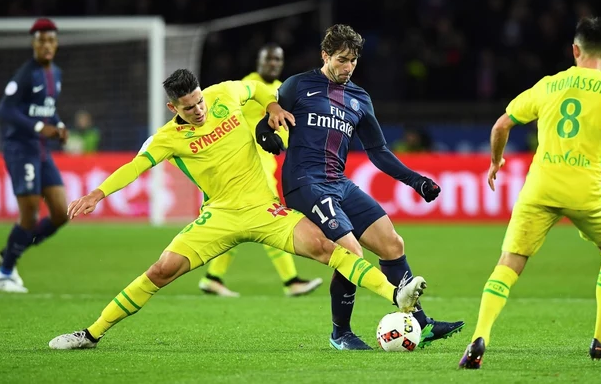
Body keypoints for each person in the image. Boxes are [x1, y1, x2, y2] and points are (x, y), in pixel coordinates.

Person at [48, 69, 427, 350]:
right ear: (172, 107)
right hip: (219, 217)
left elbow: (259, 88)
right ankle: (92, 333)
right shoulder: (166, 138)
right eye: (188, 107)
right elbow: (135, 167)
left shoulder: (224, 93)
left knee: (333, 249)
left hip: (266, 210)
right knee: (161, 270)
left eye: (199, 101)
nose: (198, 109)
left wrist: (273, 104)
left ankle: (397, 295)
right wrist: (99, 193)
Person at [458, 17, 601, 369]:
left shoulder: (548, 85)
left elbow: (501, 124)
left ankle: (480, 336)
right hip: (584, 190)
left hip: (539, 187)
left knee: (509, 262)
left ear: (574, 50)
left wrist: (495, 162)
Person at [256, 24, 464, 350]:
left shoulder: (359, 98)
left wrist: (416, 180)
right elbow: (265, 121)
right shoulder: (298, 86)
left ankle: (422, 325)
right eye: (341, 60)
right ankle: (341, 333)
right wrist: (265, 134)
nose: (348, 67)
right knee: (351, 251)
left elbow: (378, 152)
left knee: (392, 244)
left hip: (339, 183)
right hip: (305, 182)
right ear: (325, 55)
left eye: (353, 61)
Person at [199, 43, 323, 298]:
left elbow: (282, 127)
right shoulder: (248, 85)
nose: (273, 64)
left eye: (277, 60)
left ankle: (213, 277)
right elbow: (228, 119)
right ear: (258, 62)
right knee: (270, 215)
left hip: (266, 163)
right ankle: (291, 281)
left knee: (240, 221)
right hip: (248, 164)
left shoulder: (281, 89)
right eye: (268, 60)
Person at [0, 18, 69, 293]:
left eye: (51, 40)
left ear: (56, 43)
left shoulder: (57, 74)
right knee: (29, 215)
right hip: (20, 148)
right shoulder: (26, 74)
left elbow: (48, 110)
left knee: (61, 213)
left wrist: (59, 125)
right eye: (41, 41)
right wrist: (41, 127)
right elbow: (5, 110)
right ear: (34, 44)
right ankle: (5, 272)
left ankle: (9, 255)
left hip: (41, 150)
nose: (47, 46)